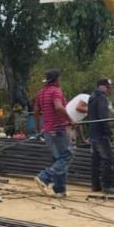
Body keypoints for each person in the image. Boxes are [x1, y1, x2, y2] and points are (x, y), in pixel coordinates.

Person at [32, 69, 73, 197]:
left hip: (48, 131)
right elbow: (59, 107)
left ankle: (60, 190)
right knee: (66, 156)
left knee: (58, 158)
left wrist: (39, 129)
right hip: (58, 129)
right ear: (57, 79)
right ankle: (44, 177)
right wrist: (70, 120)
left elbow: (36, 112)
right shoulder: (56, 91)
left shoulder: (41, 93)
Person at [86, 78, 114, 194]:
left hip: (93, 133)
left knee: (95, 160)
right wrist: (109, 133)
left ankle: (95, 185)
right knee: (107, 159)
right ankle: (107, 187)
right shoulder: (102, 98)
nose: (109, 89)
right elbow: (103, 118)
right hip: (101, 134)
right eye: (108, 87)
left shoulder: (92, 97)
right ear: (102, 86)